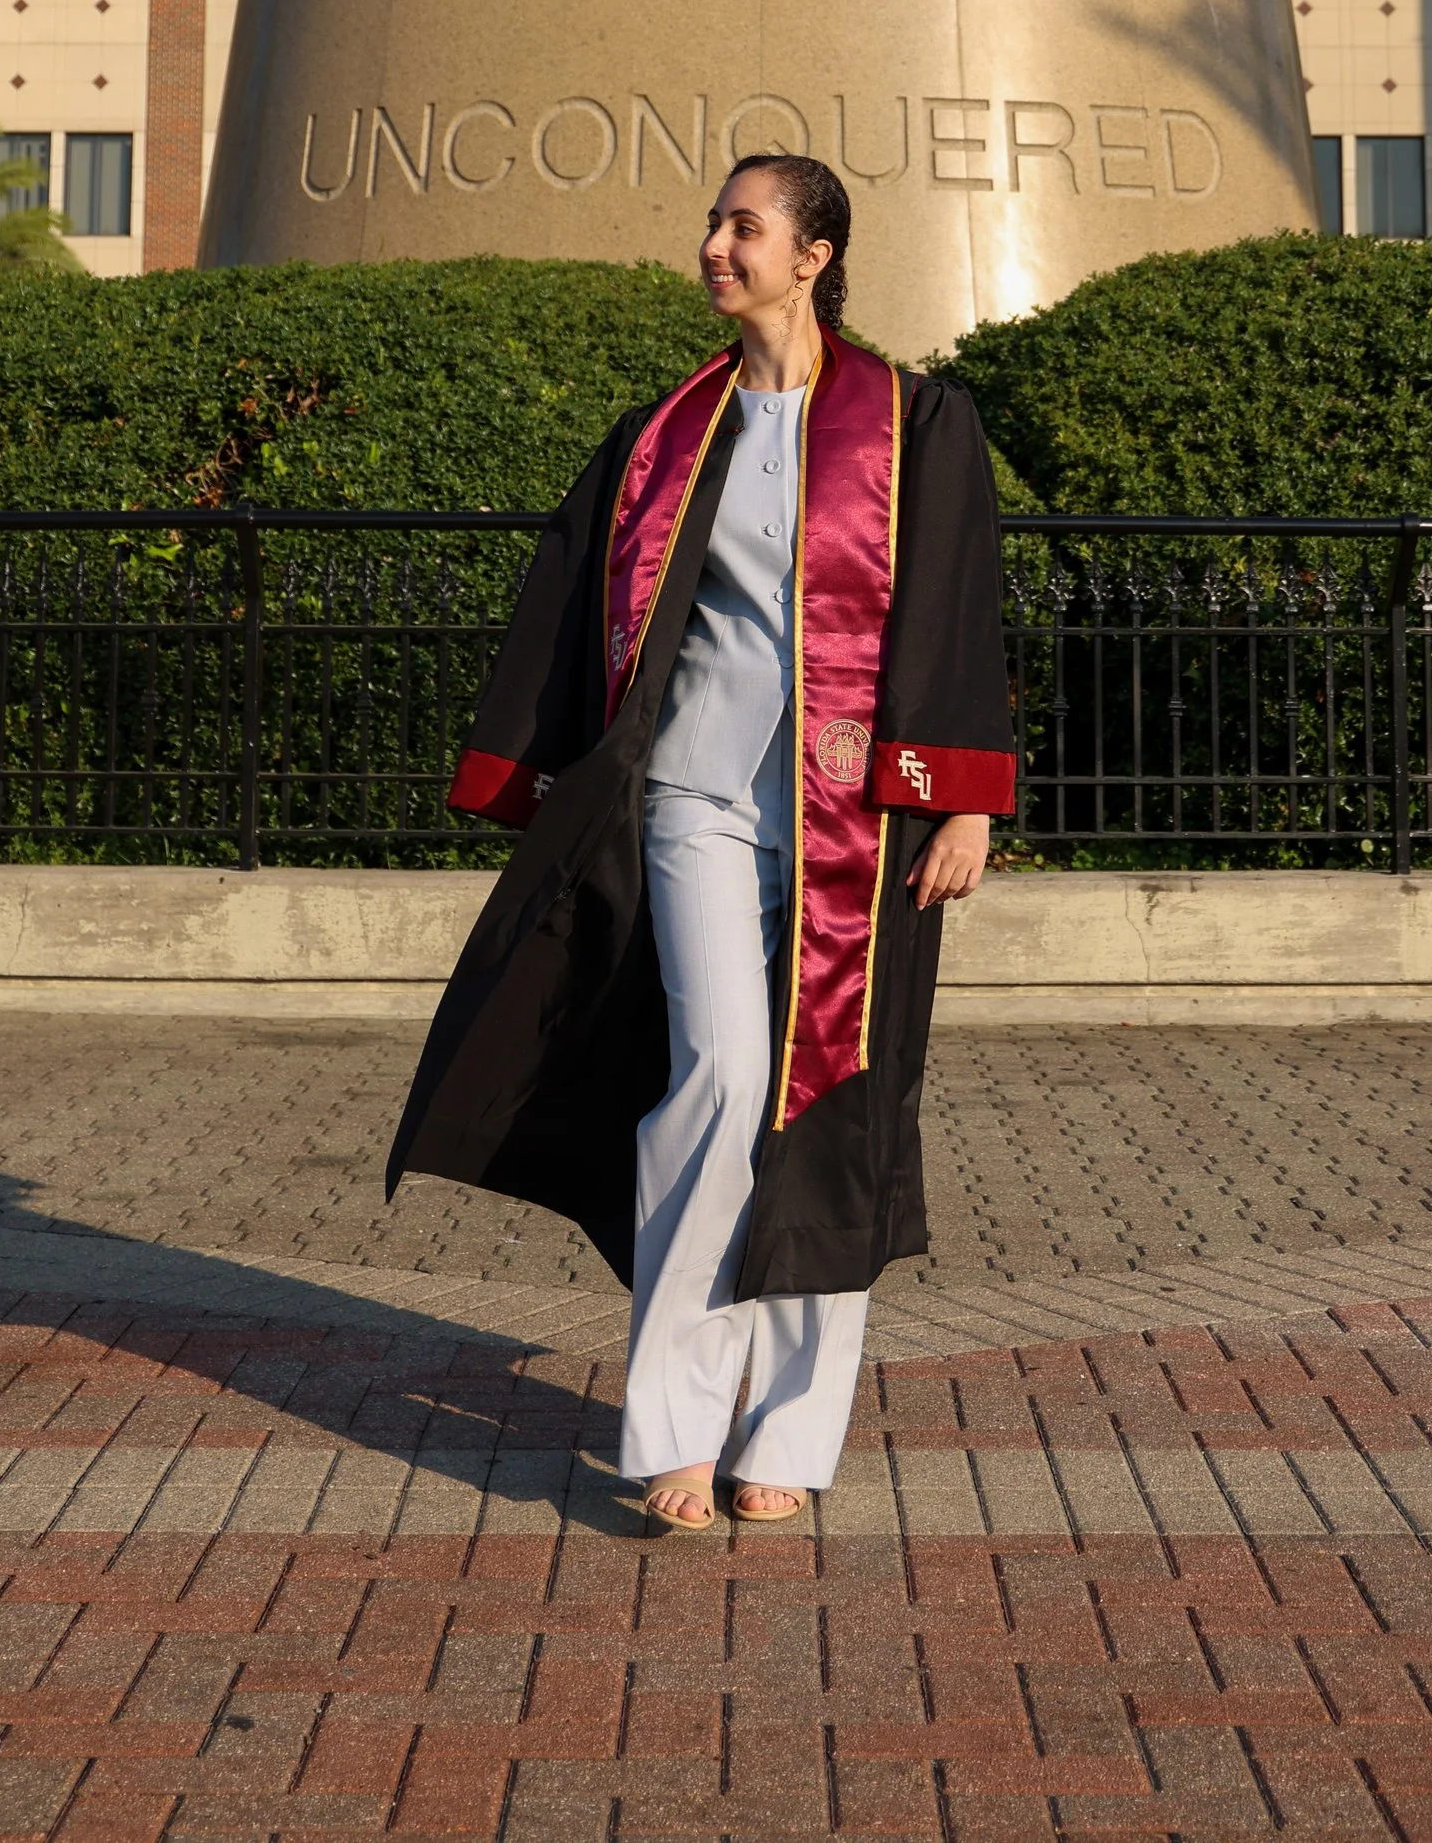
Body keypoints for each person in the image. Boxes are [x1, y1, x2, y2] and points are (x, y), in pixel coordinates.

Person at [385, 152, 1013, 1529]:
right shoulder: (668, 433)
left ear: (816, 253)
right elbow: (577, 595)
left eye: (746, 226)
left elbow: (963, 602)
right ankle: (671, 1421)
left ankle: (785, 1435)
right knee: (721, 1077)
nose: (716, 245)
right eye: (717, 223)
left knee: (832, 1098)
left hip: (854, 811)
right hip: (698, 798)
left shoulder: (917, 424)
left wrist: (966, 791)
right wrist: (535, 770)